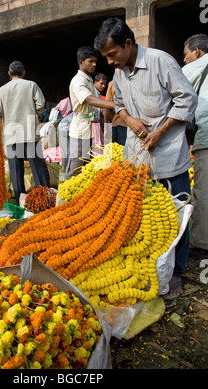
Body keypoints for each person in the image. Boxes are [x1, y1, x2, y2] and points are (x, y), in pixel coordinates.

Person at [94, 17, 197, 299]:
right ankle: (151, 266)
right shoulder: (118, 74)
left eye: (112, 55)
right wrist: (129, 119)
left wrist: (161, 131)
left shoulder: (160, 61)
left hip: (169, 156)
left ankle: (176, 270)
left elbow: (187, 99)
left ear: (128, 43)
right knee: (145, 218)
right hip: (137, 159)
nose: (110, 62)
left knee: (175, 219)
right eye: (106, 57)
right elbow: (119, 105)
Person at [0, 60, 50, 205]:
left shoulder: (1, 90)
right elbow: (40, 105)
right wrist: (34, 112)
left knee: (15, 170)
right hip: (29, 130)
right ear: (23, 72)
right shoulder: (31, 85)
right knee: (37, 166)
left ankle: (21, 201)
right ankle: (45, 197)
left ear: (9, 73)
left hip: (11, 132)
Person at [66, 46, 115, 178]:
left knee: (89, 167)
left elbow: (98, 102)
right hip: (81, 130)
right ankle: (66, 196)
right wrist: (113, 105)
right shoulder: (78, 81)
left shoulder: (88, 80)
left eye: (95, 61)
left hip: (92, 128)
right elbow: (90, 99)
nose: (94, 64)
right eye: (90, 61)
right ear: (81, 62)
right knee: (75, 168)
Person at [182, 33, 208, 258]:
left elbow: (172, 89)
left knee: (203, 189)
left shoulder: (197, 66)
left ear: (197, 52)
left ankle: (200, 242)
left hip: (206, 138)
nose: (184, 60)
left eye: (186, 55)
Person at [105, 80, 127, 146]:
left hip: (116, 122)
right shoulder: (135, 80)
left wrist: (106, 126)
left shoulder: (112, 83)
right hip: (131, 123)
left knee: (115, 151)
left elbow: (107, 106)